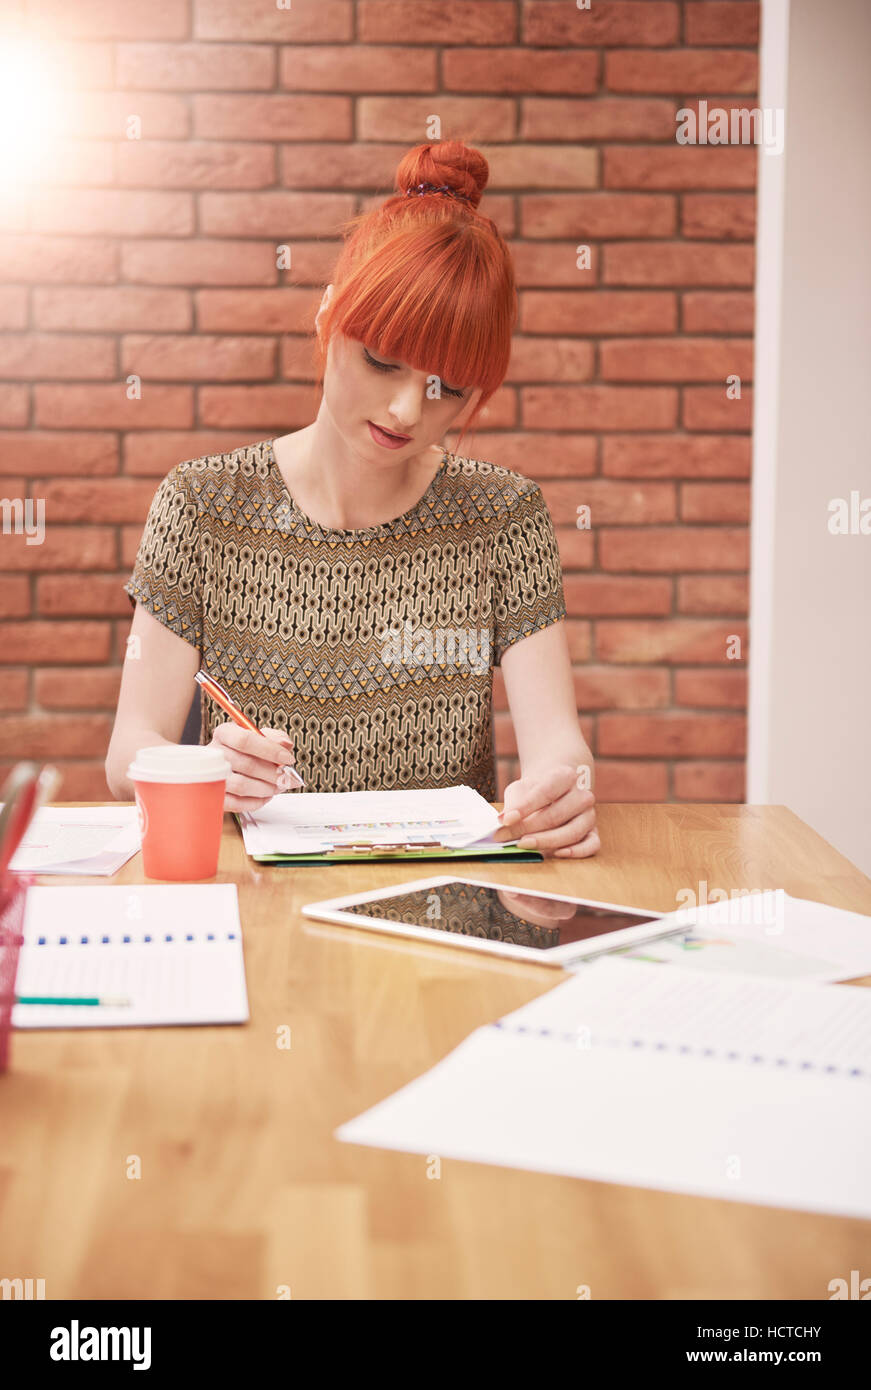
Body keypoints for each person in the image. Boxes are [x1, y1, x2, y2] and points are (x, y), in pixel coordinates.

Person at [106, 140, 599, 859]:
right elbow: (128, 751)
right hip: (254, 911)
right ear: (329, 313)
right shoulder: (201, 505)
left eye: (447, 389)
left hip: (442, 914)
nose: (404, 409)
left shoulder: (502, 518)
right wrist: (211, 770)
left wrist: (561, 790)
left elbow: (559, 742)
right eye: (381, 359)